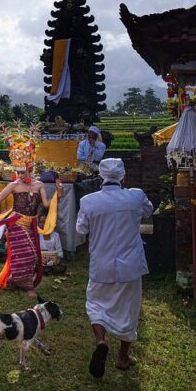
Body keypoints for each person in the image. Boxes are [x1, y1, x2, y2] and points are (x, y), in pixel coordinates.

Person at [76, 158, 153, 378]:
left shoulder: (89, 201)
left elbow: (80, 229)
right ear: (123, 176)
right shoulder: (136, 196)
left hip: (101, 265)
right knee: (129, 310)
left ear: (100, 176)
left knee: (96, 305)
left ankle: (101, 341)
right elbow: (148, 211)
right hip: (130, 265)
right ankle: (123, 357)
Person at [0, 129, 55, 297]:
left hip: (31, 224)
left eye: (22, 172)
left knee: (31, 255)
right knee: (27, 253)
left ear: (30, 169)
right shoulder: (13, 185)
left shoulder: (39, 185)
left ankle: (16, 280)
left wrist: (59, 195)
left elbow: (47, 204)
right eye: (17, 172)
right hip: (16, 223)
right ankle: (27, 286)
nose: (19, 175)